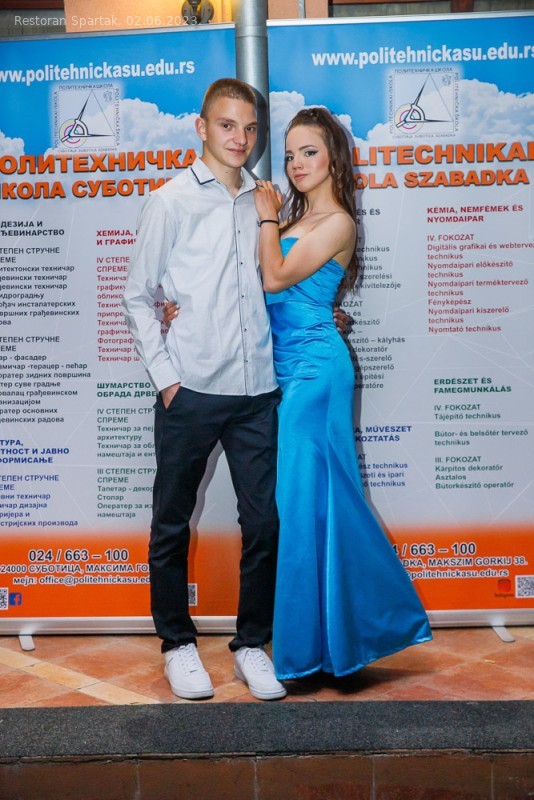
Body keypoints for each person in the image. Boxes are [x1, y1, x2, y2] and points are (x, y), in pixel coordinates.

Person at [252, 107, 432, 680]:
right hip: (286, 369)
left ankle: (311, 652)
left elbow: (275, 277)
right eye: (289, 155)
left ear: (334, 157)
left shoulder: (337, 221)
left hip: (315, 376)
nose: (296, 164)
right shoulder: (299, 216)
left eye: (308, 152)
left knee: (305, 505)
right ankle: (330, 646)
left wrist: (265, 219)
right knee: (311, 506)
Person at [122, 78, 287, 701]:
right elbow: (138, 296)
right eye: (227, 124)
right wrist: (168, 382)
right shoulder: (170, 201)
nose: (240, 138)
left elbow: (278, 277)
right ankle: (177, 644)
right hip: (191, 389)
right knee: (171, 522)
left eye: (249, 127)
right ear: (201, 127)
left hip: (257, 389)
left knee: (263, 523)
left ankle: (251, 645)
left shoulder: (265, 199)